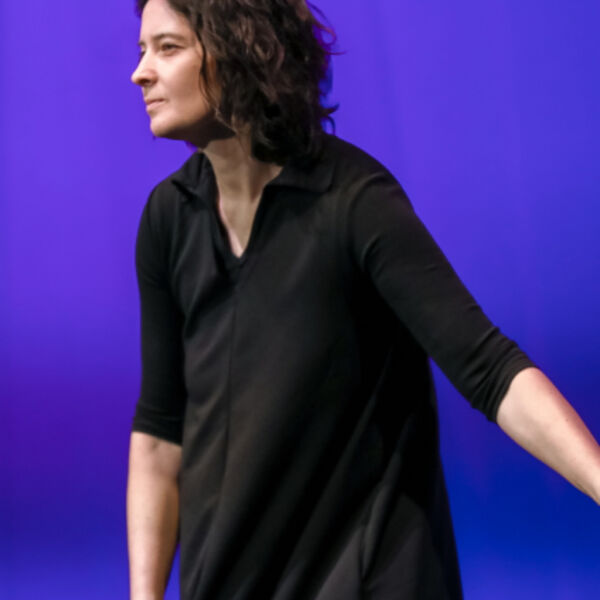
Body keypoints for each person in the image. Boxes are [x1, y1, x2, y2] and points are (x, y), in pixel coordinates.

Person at [126, 0, 600, 598]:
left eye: (168, 48)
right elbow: (159, 433)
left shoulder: (352, 201)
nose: (140, 72)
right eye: (142, 50)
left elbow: (489, 369)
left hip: (369, 579)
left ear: (240, 50)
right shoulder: (168, 218)